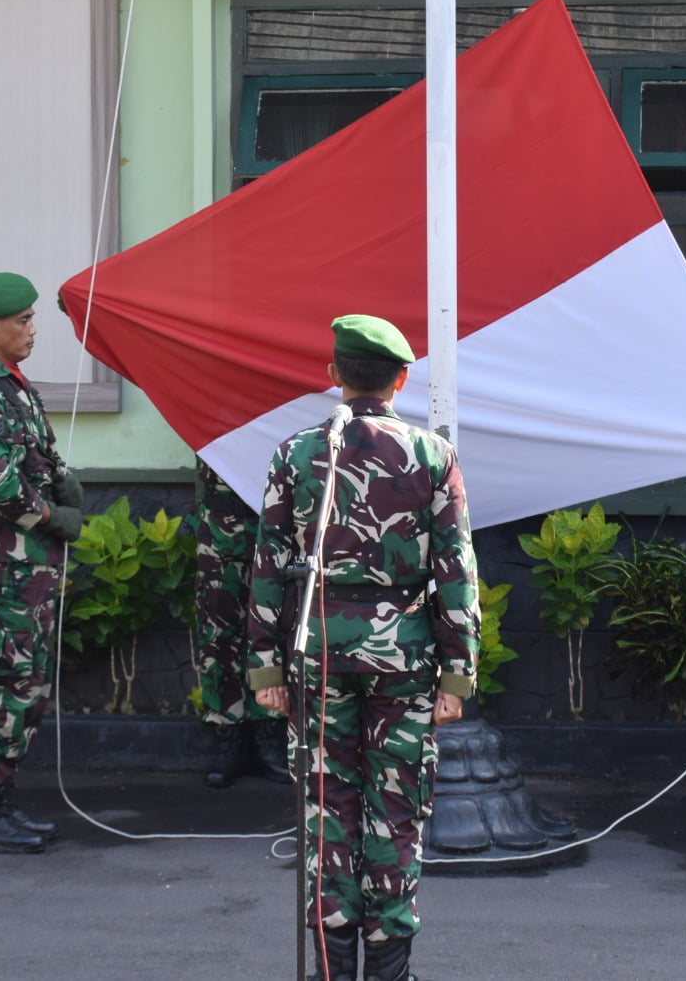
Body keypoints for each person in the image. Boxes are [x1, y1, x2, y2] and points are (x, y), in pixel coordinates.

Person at [248, 314, 479, 981]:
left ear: (334, 376)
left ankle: (330, 969)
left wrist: (265, 664)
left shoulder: (295, 453)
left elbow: (267, 563)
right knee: (396, 812)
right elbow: (454, 570)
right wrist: (457, 674)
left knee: (328, 813)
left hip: (317, 655)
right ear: (402, 380)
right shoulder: (432, 455)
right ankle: (389, 971)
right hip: (404, 661)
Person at [0, 272, 84, 854]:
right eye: (22, 321)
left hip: (30, 567)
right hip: (10, 565)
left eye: (32, 318)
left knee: (24, 688)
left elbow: (31, 461)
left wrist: (59, 481)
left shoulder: (12, 387)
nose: (32, 329)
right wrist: (53, 515)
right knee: (5, 685)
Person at [192, 456, 289, 788]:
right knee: (218, 634)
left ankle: (270, 731)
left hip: (278, 519)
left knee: (274, 629)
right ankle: (227, 735)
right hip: (221, 525)